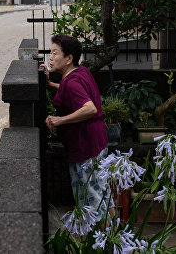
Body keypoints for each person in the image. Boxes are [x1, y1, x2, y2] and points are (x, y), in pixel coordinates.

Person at [40, 34, 115, 223]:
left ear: (69, 58)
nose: (50, 57)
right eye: (50, 53)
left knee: (91, 198)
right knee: (102, 191)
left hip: (85, 147)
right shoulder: (79, 72)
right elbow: (71, 90)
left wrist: (59, 120)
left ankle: (101, 242)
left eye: (55, 53)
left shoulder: (71, 82)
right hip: (97, 141)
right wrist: (50, 84)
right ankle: (115, 235)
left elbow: (89, 108)